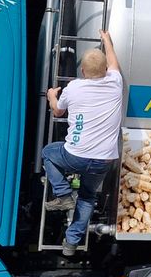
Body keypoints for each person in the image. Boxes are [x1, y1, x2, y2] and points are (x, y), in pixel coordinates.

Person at [42, 30, 124, 257]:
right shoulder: (115, 83)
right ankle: (71, 243)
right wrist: (107, 40)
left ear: (82, 71)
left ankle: (62, 193)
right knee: (88, 196)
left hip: (75, 156)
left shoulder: (74, 87)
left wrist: (51, 95)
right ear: (106, 70)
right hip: (103, 160)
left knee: (48, 153)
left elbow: (58, 110)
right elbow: (114, 63)